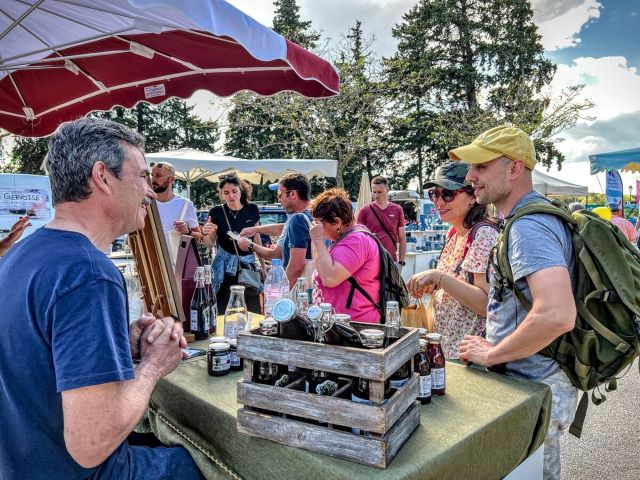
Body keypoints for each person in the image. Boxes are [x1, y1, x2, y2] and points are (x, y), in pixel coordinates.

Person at [0, 118, 202, 479]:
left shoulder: (21, 254)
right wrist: (153, 366)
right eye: (141, 176)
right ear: (103, 177)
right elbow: (91, 444)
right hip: (75, 471)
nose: (150, 191)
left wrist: (119, 345)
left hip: (19, 463)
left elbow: (37, 357)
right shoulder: (89, 272)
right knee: (209, 462)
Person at [450, 125, 577, 480]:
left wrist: (492, 353)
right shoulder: (530, 218)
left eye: (481, 166)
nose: (471, 176)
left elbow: (557, 314)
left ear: (515, 168)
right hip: (540, 381)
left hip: (534, 387)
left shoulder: (528, 226)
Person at [406, 161, 499, 359]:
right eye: (435, 194)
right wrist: (434, 285)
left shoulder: (483, 234)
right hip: (448, 350)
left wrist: (438, 277)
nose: (439, 202)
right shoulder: (453, 234)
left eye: (448, 193)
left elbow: (486, 305)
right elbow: (458, 284)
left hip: (471, 356)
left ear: (473, 196)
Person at [309, 188, 381, 323]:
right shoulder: (344, 239)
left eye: (319, 223)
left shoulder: (356, 241)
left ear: (337, 222)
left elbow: (329, 278)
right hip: (338, 324)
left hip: (353, 327)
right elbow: (321, 267)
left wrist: (317, 240)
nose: (316, 227)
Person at [201, 174, 265, 313]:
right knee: (223, 308)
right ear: (222, 194)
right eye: (226, 193)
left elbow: (257, 237)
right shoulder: (217, 212)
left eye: (234, 191)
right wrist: (206, 232)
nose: (231, 195)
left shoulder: (252, 208)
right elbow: (209, 244)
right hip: (225, 268)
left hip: (247, 266)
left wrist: (263, 266)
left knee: (252, 308)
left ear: (240, 190)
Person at [238, 173, 313, 289]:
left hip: (297, 289)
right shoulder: (312, 215)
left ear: (292, 194)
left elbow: (293, 265)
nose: (279, 198)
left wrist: (281, 292)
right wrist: (256, 229)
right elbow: (285, 227)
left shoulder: (297, 220)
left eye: (280, 194)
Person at [357, 176, 407, 269]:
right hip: (369, 261)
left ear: (387, 190)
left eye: (380, 192)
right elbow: (358, 238)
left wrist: (401, 262)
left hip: (390, 260)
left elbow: (402, 238)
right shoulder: (364, 211)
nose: (376, 195)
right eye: (374, 192)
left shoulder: (397, 210)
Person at [150, 161, 202, 243]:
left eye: (158, 176)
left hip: (177, 255)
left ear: (172, 179)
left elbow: (199, 238)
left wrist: (188, 231)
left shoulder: (185, 204)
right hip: (151, 255)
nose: (153, 179)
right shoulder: (145, 203)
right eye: (152, 175)